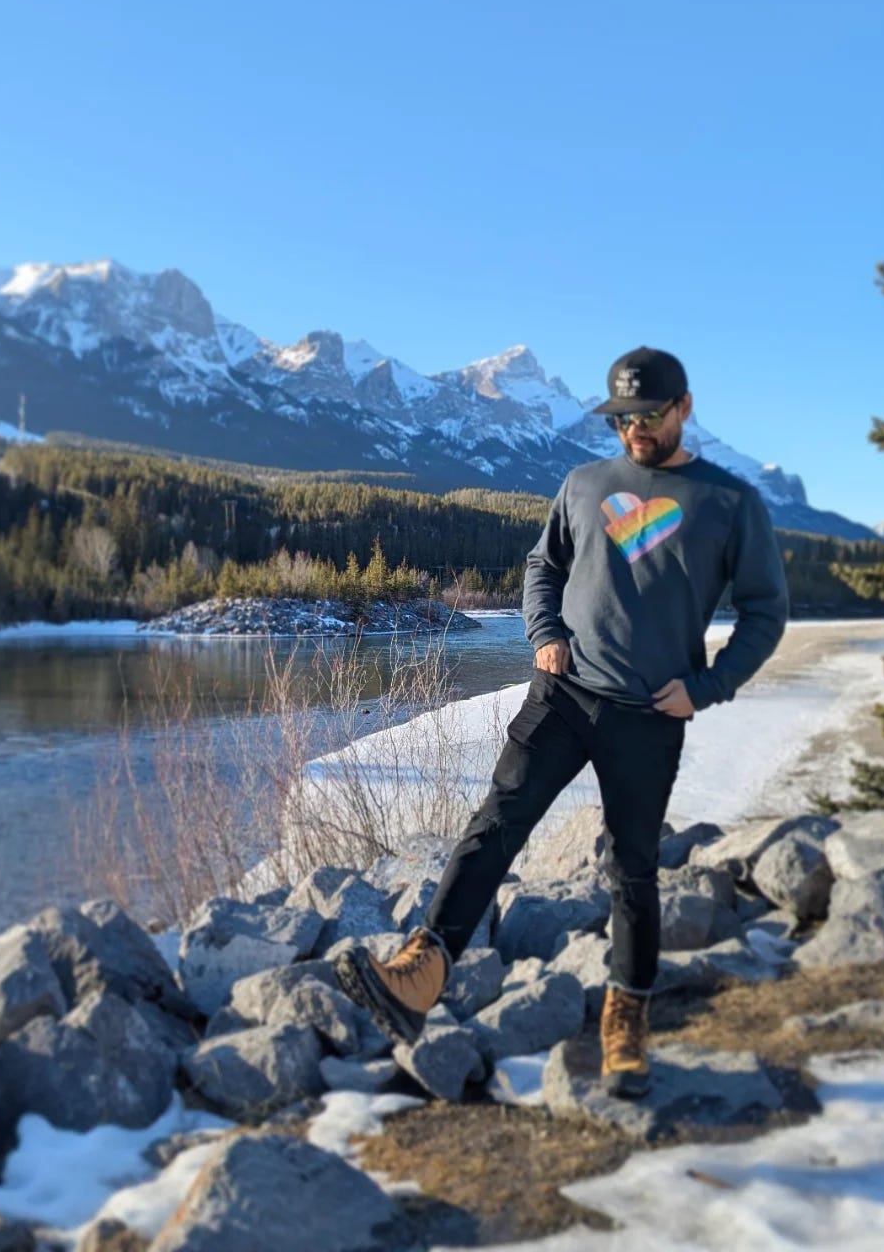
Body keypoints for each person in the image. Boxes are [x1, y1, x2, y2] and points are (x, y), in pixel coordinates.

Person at [336, 346, 788, 1098]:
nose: (633, 431)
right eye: (621, 419)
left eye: (647, 415)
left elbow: (766, 614)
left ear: (683, 407)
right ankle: (421, 971)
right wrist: (543, 634)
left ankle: (625, 1023)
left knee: (631, 868)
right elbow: (540, 567)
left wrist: (707, 687)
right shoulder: (584, 485)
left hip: (648, 714)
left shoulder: (728, 502)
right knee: (496, 822)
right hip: (563, 695)